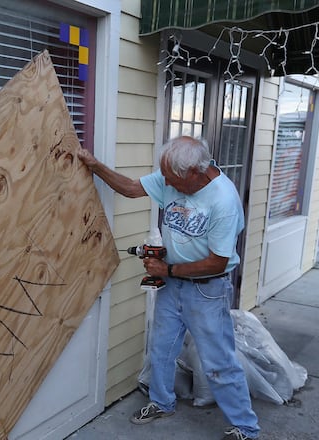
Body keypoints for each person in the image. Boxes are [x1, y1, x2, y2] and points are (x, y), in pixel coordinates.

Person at [77, 136, 260, 440]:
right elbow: (131, 188)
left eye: (172, 178)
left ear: (195, 173)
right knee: (161, 348)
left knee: (219, 361)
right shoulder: (172, 176)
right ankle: (162, 402)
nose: (166, 183)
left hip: (206, 291)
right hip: (172, 285)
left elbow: (217, 262)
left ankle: (246, 428)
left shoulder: (223, 201)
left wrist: (168, 268)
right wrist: (94, 166)